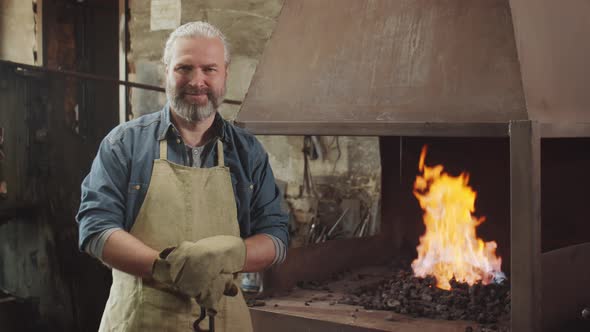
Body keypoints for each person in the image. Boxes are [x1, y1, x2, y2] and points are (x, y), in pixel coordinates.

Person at [76, 21, 289, 331]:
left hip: (225, 322)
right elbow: (95, 229)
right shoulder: (124, 143)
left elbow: (277, 236)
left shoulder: (247, 152)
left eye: (209, 69)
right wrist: (165, 268)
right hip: (141, 321)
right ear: (167, 71)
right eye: (184, 68)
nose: (196, 81)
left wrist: (231, 254)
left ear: (225, 74)